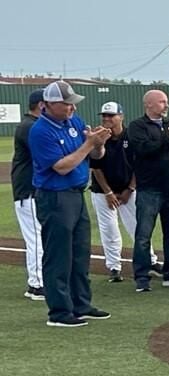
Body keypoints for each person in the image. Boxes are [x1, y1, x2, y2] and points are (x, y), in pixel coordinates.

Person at [30, 81, 112, 327]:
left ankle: (81, 304)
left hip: (76, 194)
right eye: (67, 104)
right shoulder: (41, 130)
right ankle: (59, 312)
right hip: (55, 196)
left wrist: (98, 144)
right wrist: (88, 145)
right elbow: (61, 167)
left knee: (79, 252)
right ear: (49, 105)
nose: (72, 108)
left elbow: (95, 157)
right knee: (59, 255)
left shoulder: (74, 123)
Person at [126, 89, 169, 292]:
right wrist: (168, 136)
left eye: (166, 102)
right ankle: (142, 278)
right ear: (149, 105)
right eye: (162, 102)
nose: (166, 106)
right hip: (149, 188)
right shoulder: (137, 126)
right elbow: (144, 150)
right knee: (144, 235)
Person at [89, 102, 159, 283]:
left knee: (138, 226)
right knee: (109, 229)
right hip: (102, 191)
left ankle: (149, 261)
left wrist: (130, 188)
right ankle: (114, 267)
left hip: (128, 188)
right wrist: (109, 193)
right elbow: (95, 168)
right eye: (104, 115)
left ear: (121, 116)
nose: (106, 119)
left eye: (111, 115)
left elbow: (139, 165)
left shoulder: (131, 136)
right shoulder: (98, 136)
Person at [13, 89, 46, 300]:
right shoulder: (29, 127)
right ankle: (37, 284)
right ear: (42, 105)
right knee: (36, 238)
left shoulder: (32, 125)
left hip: (32, 190)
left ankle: (36, 281)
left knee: (37, 237)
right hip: (28, 191)